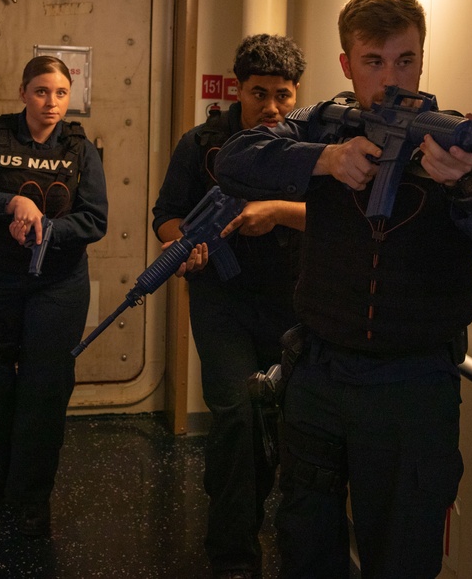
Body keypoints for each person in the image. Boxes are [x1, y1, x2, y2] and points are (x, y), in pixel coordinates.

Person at [215, 0, 472, 579]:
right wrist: (325, 159)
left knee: (402, 555)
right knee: (306, 546)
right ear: (347, 64)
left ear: (423, 57)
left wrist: (471, 189)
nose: (392, 75)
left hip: (412, 387)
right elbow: (235, 159)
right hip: (318, 376)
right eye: (374, 61)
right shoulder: (318, 124)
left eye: (406, 59)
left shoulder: (460, 142)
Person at [152, 33, 307, 579]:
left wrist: (276, 212)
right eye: (258, 93)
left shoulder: (314, 147)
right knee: (238, 413)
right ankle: (233, 556)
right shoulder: (202, 145)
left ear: (297, 94)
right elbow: (165, 215)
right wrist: (186, 243)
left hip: (295, 302)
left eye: (283, 95)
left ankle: (268, 522)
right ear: (237, 89)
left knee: (289, 426)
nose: (271, 108)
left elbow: (333, 218)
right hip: (222, 298)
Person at [0, 55, 108, 537]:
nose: (51, 103)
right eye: (41, 91)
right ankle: (11, 466)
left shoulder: (80, 148)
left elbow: (95, 220)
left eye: (61, 93)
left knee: (44, 390)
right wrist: (11, 203)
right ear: (23, 93)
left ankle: (30, 497)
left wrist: (47, 228)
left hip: (57, 284)